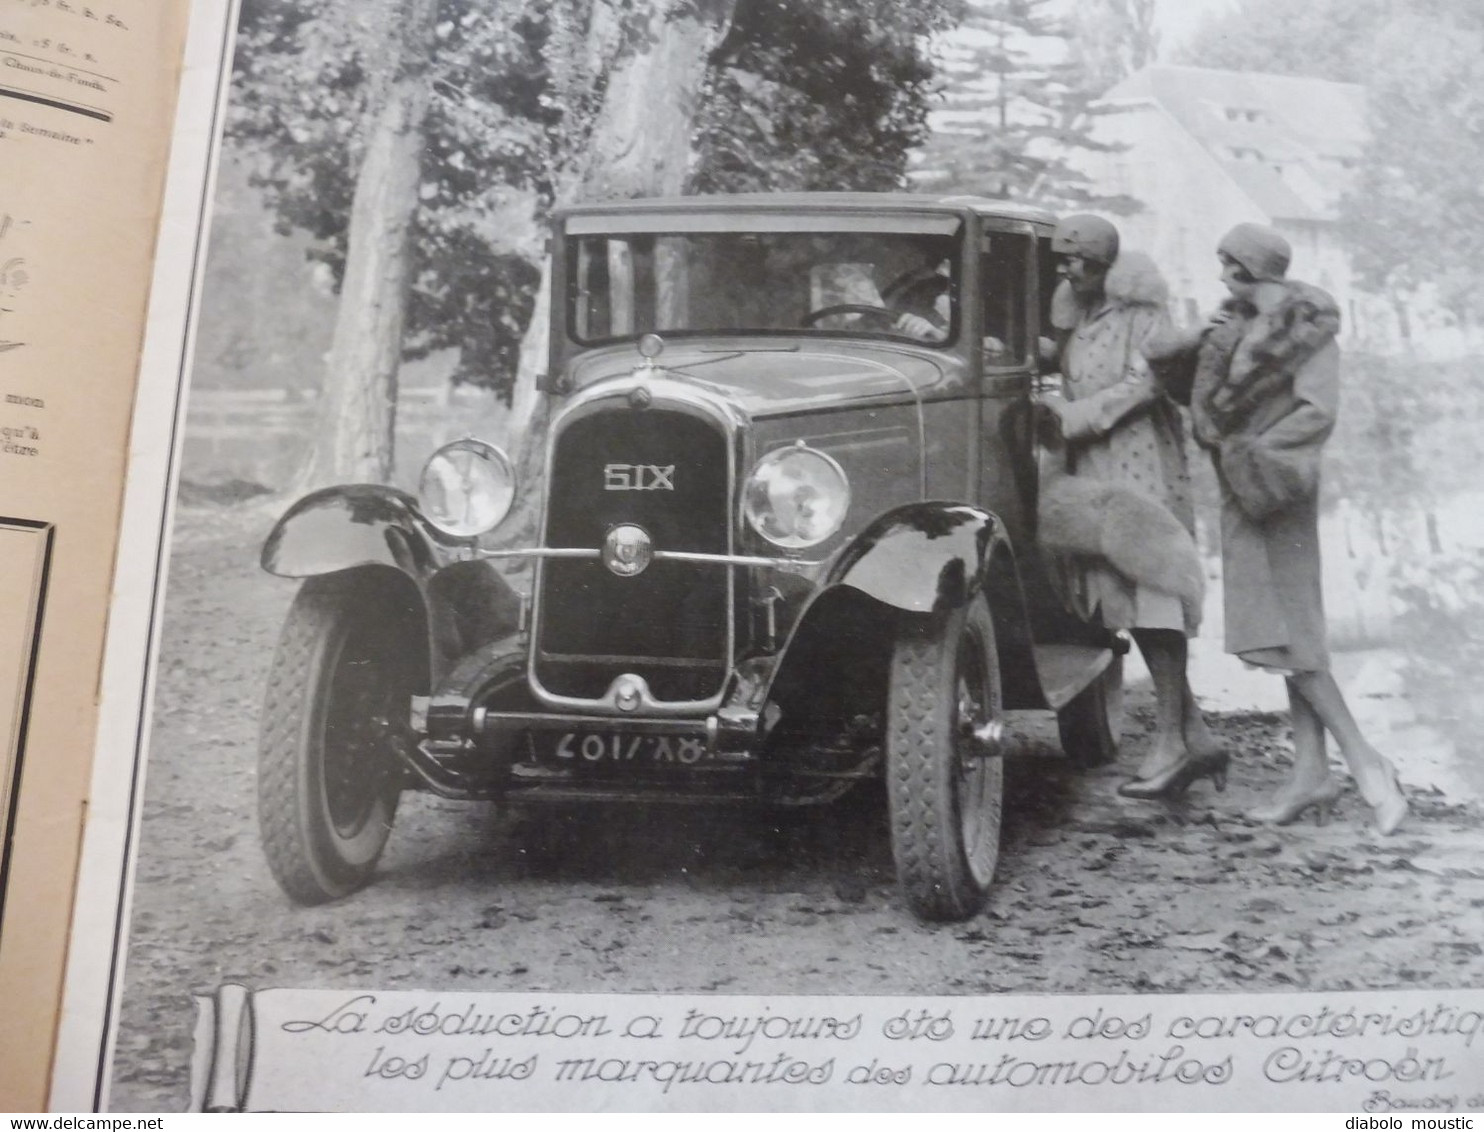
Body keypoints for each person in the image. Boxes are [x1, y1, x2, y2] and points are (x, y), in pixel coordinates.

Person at [1146, 222, 1407, 834]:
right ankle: (1310, 775)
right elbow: (1186, 393)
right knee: (1287, 639)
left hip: (1279, 488)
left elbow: (1317, 413)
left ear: (1248, 267)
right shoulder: (1228, 327)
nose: (1218, 274)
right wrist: (1195, 340)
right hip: (1242, 493)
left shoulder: (1307, 330)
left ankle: (1369, 769)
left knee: (1295, 637)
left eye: (1225, 262)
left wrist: (1255, 453)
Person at [1041, 214, 1224, 797]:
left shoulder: (1142, 315)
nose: (1066, 270)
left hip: (1142, 467)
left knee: (1156, 597)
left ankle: (1171, 744)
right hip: (1101, 471)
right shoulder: (1082, 317)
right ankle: (1196, 740)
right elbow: (1068, 367)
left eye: (1077, 261)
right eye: (1063, 261)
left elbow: (1142, 385)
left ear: (1101, 264)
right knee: (1131, 600)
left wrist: (1071, 419)